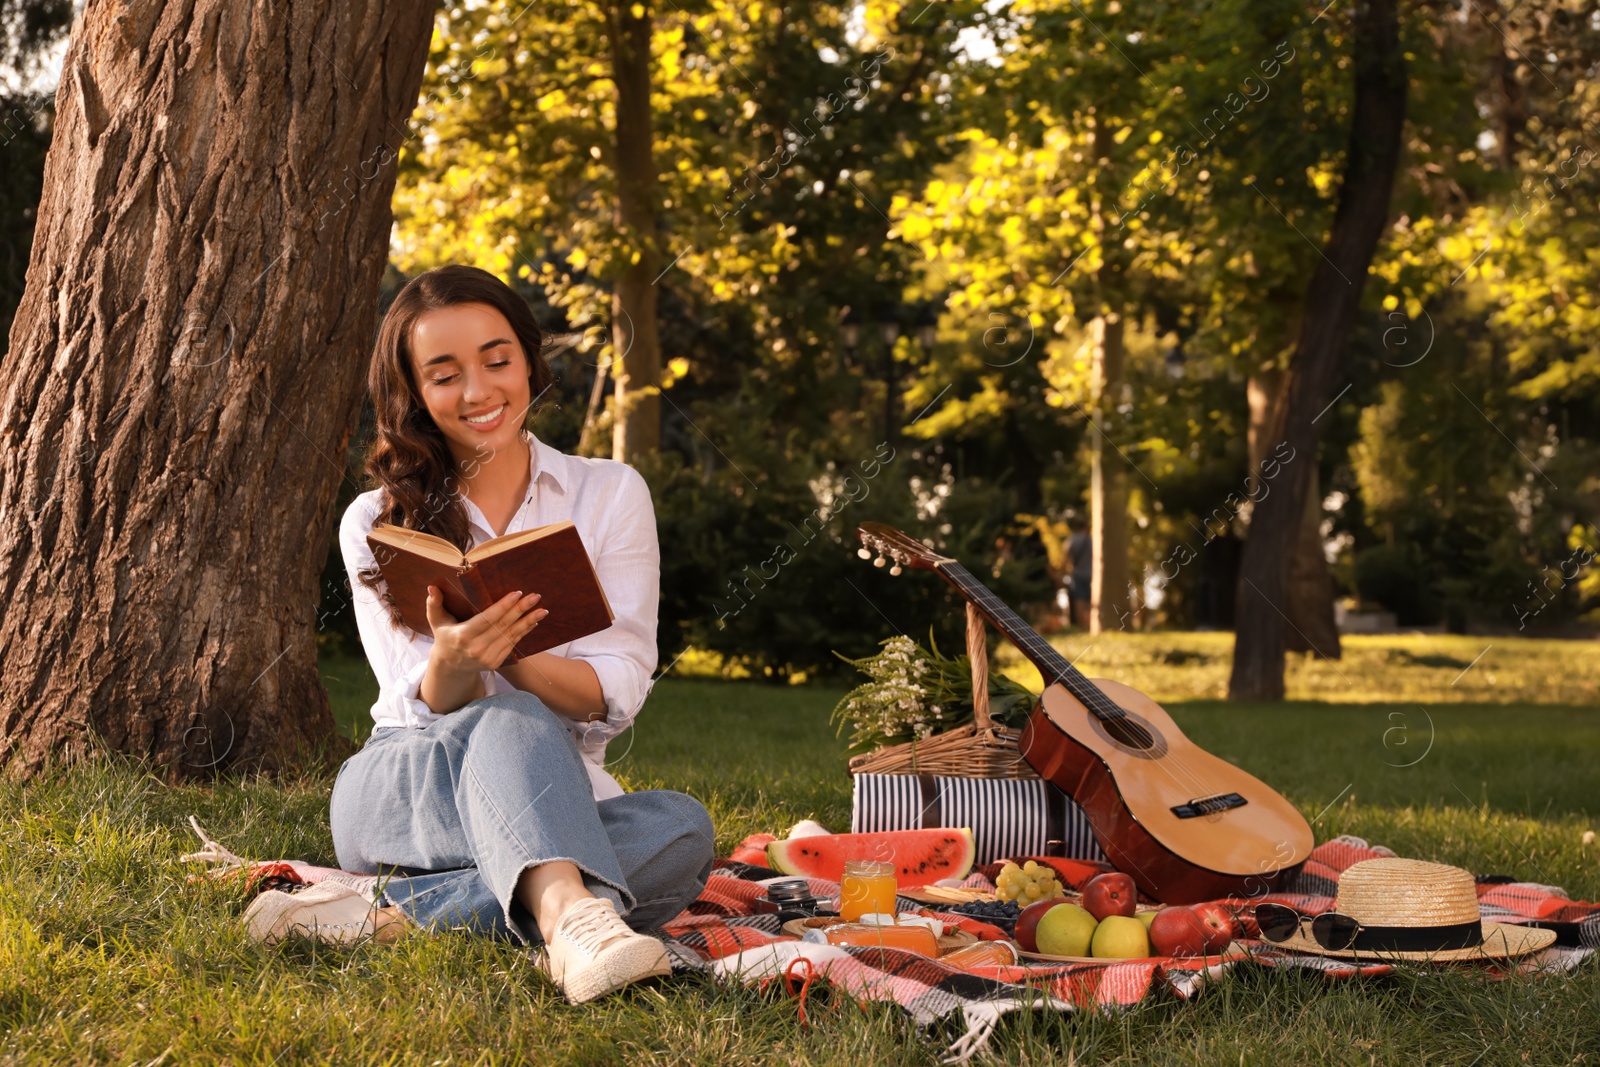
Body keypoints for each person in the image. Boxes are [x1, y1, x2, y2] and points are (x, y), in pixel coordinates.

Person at [254, 264, 714, 1004]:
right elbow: (418, 696)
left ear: (530, 359)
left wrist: (521, 658)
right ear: (414, 392)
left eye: (497, 361)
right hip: (406, 785)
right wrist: (457, 659)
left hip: (561, 785)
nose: (477, 392)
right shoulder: (375, 518)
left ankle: (388, 917)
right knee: (509, 713)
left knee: (682, 830)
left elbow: (621, 684)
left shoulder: (610, 493)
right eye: (444, 375)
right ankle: (573, 914)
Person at [1066, 515, 1092, 628]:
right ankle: (1091, 624)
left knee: (1079, 600)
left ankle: (1082, 625)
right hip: (1092, 573)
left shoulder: (1072, 540)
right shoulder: (1092, 540)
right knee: (1091, 601)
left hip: (1077, 573)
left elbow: (1066, 559)